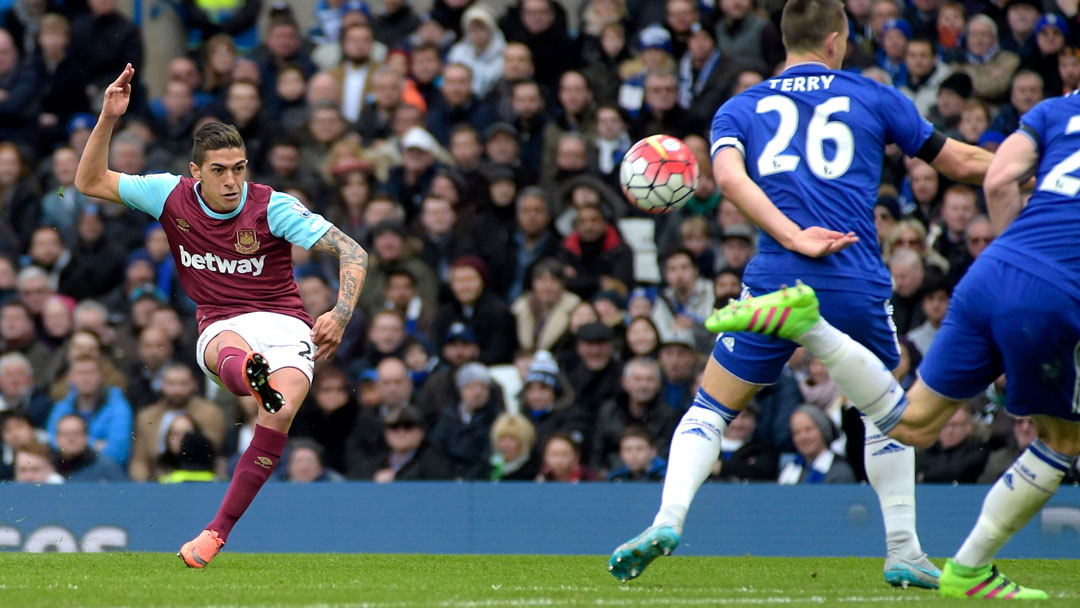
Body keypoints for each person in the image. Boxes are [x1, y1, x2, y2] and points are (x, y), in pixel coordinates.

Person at [609, 0, 994, 588]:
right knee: (887, 415)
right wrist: (1040, 168)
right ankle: (903, 549)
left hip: (774, 282)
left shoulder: (740, 107)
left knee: (710, 408)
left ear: (784, 41)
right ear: (837, 40)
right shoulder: (874, 95)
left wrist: (790, 235)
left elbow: (731, 179)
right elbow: (962, 161)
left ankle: (667, 518)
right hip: (856, 276)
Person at [704, 68, 1080, 602]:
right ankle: (968, 568)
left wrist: (1014, 248)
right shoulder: (870, 94)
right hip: (1054, 290)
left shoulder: (1055, 111)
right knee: (1064, 438)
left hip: (991, 274)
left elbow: (998, 181)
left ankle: (808, 325)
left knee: (908, 425)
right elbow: (975, 170)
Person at [73, 64, 368, 569]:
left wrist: (340, 314)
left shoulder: (273, 208)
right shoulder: (168, 194)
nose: (232, 181)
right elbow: (89, 181)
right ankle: (252, 373)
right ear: (196, 173)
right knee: (230, 352)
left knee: (280, 409)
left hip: (285, 322)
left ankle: (215, 532)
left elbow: (353, 251)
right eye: (219, 170)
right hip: (221, 324)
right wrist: (108, 117)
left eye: (239, 168)